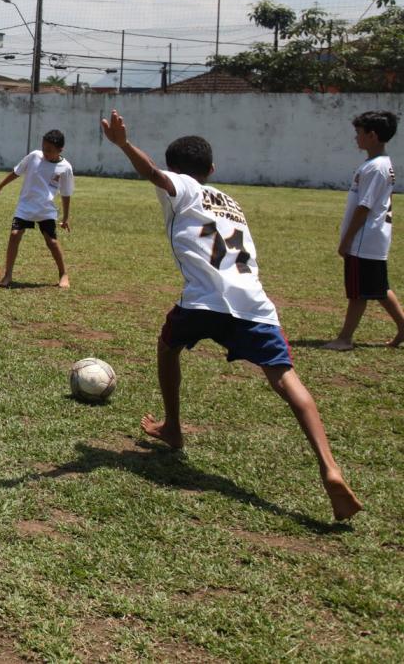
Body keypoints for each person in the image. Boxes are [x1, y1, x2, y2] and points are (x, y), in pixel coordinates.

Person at [100, 109, 361, 522]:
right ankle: (329, 466)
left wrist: (123, 145)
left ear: (178, 169)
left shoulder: (182, 185)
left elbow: (153, 174)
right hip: (254, 304)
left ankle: (172, 427)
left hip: (205, 300)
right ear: (213, 169)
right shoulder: (232, 203)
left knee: (168, 347)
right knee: (285, 378)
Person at [325, 110, 404, 350]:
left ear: (372, 135)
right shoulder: (380, 165)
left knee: (358, 292)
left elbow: (364, 207)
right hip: (373, 239)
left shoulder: (375, 168)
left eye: (359, 133)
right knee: (378, 288)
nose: (355, 138)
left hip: (364, 239)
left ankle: (345, 338)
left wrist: (347, 240)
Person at [0, 130, 74, 288]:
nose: (45, 152)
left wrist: (66, 217)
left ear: (60, 150)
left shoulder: (65, 168)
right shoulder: (34, 156)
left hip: (46, 209)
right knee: (14, 235)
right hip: (25, 206)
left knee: (52, 241)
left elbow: (66, 193)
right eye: (44, 148)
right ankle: (8, 275)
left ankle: (63, 274)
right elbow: (16, 172)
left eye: (49, 150)